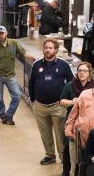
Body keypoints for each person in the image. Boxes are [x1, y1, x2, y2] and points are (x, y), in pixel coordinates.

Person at [29, 37, 73, 166]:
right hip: (40, 106)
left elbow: (71, 83)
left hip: (58, 106)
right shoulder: (37, 65)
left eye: (50, 48)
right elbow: (31, 83)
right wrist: (33, 100)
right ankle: (49, 155)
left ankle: (63, 158)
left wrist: (68, 100)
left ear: (56, 50)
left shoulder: (63, 64)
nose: (47, 50)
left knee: (60, 135)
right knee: (45, 133)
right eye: (46, 48)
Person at [56, 61, 94, 176]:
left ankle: (84, 174)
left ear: (89, 73)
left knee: (86, 148)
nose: (82, 73)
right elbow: (61, 101)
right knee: (67, 148)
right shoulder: (70, 85)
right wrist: (73, 102)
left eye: (85, 71)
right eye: (80, 71)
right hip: (71, 122)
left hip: (88, 123)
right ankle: (66, 172)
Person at [0, 26, 26, 125]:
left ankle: (8, 115)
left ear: (6, 33)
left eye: (2, 33)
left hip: (10, 76)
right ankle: (2, 114)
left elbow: (23, 53)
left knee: (17, 95)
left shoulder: (13, 44)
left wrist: (34, 58)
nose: (1, 35)